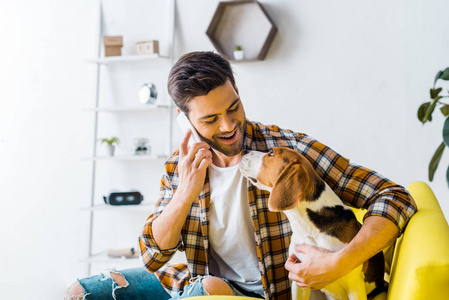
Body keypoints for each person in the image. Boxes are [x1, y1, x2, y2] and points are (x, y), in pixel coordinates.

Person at [65, 51, 417, 300]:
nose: (229, 125)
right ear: (183, 119)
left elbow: (393, 197)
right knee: (79, 293)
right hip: (188, 281)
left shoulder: (288, 153)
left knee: (208, 290)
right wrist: (185, 192)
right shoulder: (180, 166)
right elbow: (152, 256)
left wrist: (340, 262)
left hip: (256, 291)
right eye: (209, 119)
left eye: (233, 107)